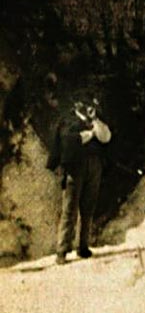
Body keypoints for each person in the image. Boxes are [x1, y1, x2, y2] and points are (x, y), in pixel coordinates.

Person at [48, 97, 111, 264]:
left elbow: (105, 137)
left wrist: (95, 120)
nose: (85, 107)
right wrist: (90, 134)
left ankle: (83, 247)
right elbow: (69, 141)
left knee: (88, 208)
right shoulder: (67, 120)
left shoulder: (94, 121)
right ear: (75, 104)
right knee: (70, 210)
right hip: (75, 167)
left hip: (94, 166)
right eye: (82, 103)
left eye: (88, 104)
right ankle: (62, 251)